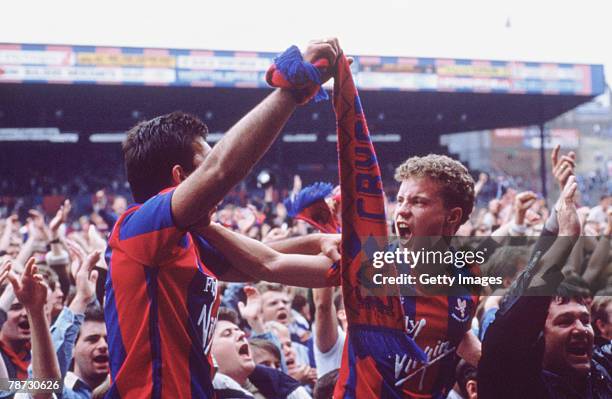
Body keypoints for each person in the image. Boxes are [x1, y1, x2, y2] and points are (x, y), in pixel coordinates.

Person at [105, 39, 343, 398]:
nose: (223, 190)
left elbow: (266, 262)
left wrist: (325, 243)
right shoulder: (137, 229)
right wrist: (292, 91)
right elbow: (221, 171)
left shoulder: (193, 239)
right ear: (181, 179)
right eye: (201, 167)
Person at [478, 177, 612, 398]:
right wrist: (564, 240)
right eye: (565, 321)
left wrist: (556, 220)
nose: (580, 329)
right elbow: (514, 323)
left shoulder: (603, 365)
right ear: (536, 334)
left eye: (585, 320)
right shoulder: (512, 381)